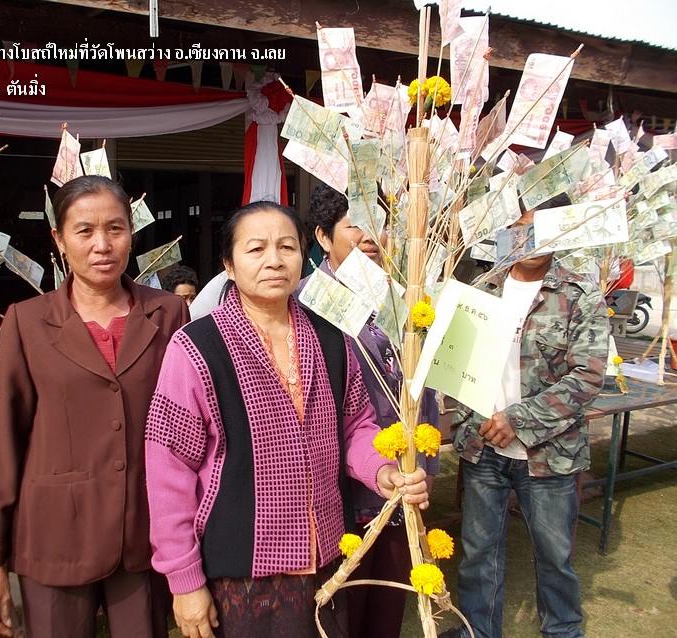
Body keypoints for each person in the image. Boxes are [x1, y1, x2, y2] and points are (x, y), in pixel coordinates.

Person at [145, 201, 430, 638]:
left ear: (303, 255)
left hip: (328, 558)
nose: (274, 260)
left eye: (286, 247)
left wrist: (382, 471)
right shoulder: (196, 347)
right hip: (241, 569)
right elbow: (169, 470)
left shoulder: (332, 336)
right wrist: (184, 580)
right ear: (229, 265)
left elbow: (355, 426)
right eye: (256, 249)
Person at [0, 175, 189, 638]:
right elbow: (1, 447)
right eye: (84, 231)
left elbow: (187, 428)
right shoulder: (27, 321)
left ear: (131, 233)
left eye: (115, 229)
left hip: (143, 531)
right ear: (59, 239)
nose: (102, 245)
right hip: (54, 534)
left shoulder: (169, 312)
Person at [443, 205, 608, 638]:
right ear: (505, 230)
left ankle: (563, 630)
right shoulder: (484, 289)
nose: (530, 237)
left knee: (554, 555)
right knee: (479, 553)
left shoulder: (578, 294)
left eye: (540, 227)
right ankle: (477, 631)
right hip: (484, 448)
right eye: (520, 227)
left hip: (549, 455)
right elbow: (458, 362)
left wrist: (518, 420)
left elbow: (588, 375)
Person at [299, 184, 440, 638]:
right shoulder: (305, 303)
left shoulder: (404, 296)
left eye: (379, 223)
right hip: (339, 486)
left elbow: (424, 389)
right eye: (354, 224)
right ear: (323, 237)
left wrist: (426, 463)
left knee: (388, 603)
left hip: (401, 478)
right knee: (345, 607)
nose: (369, 236)